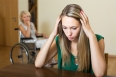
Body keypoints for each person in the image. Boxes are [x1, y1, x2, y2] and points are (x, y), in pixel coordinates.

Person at [35, 4, 106, 76]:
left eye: (74, 28)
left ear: (83, 25)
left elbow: (99, 73)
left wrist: (91, 35)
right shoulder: (60, 40)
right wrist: (53, 34)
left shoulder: (97, 39)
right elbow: (38, 64)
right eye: (64, 28)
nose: (68, 33)